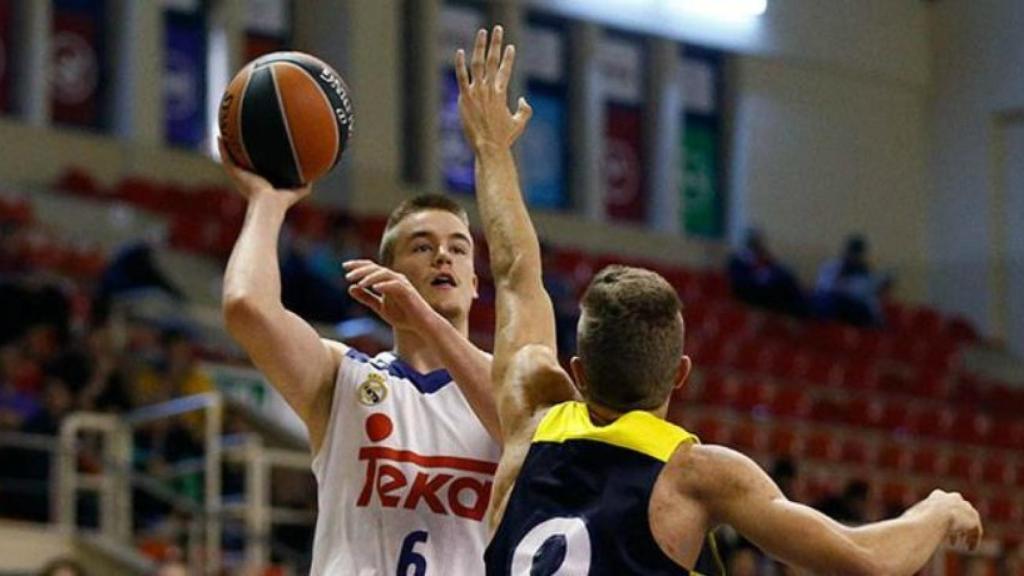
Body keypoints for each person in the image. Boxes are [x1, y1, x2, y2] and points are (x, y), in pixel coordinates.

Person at [455, 26, 983, 575]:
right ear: (681, 373)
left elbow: (516, 271)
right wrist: (938, 509)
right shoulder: (696, 476)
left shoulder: (531, 422)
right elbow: (867, 561)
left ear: (578, 371)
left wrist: (491, 149)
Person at [219, 135, 500, 572]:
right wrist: (267, 202)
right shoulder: (342, 376)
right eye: (423, 246)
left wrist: (426, 320)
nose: (443, 256)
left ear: (476, 283)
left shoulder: (507, 384)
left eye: (459, 248)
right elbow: (246, 307)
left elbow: (522, 431)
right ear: (389, 276)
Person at [814, 235, 891, 327]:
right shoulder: (830, 267)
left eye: (858, 255)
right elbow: (821, 289)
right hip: (833, 304)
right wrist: (841, 281)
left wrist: (879, 290)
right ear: (846, 252)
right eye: (852, 254)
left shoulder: (864, 272)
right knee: (829, 302)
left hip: (856, 309)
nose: (854, 258)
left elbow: (870, 300)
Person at [727, 228, 806, 317]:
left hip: (768, 285)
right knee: (781, 287)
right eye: (755, 239)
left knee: (785, 276)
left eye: (758, 240)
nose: (758, 242)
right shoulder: (738, 259)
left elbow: (773, 266)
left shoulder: (761, 255)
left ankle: (801, 305)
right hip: (753, 292)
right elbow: (740, 282)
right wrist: (759, 278)